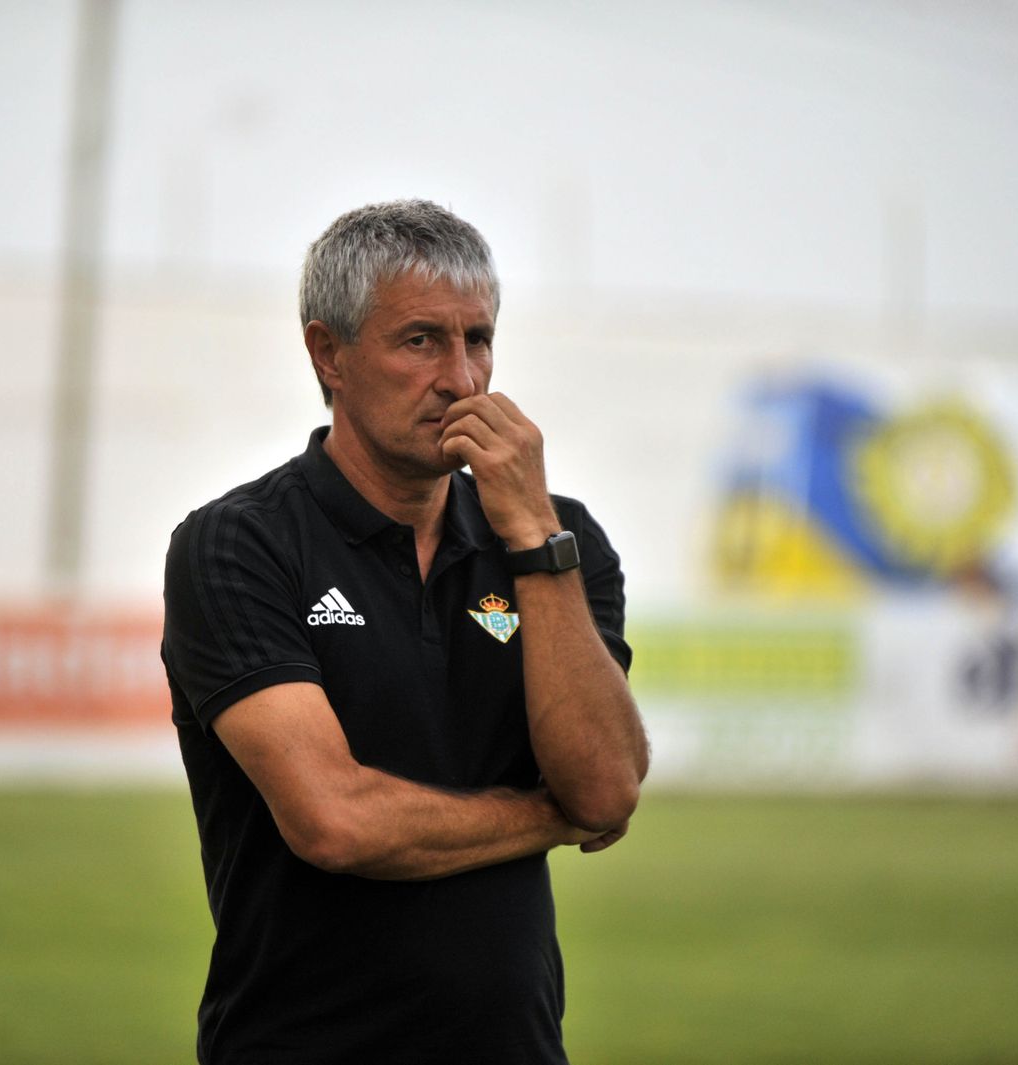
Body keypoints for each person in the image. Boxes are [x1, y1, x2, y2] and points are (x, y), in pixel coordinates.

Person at [161, 199, 649, 1065]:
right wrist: (548, 816)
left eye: (479, 340)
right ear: (329, 353)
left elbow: (606, 788)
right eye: (421, 340)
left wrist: (535, 540)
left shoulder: (559, 543)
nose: (462, 379)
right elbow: (334, 820)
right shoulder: (239, 543)